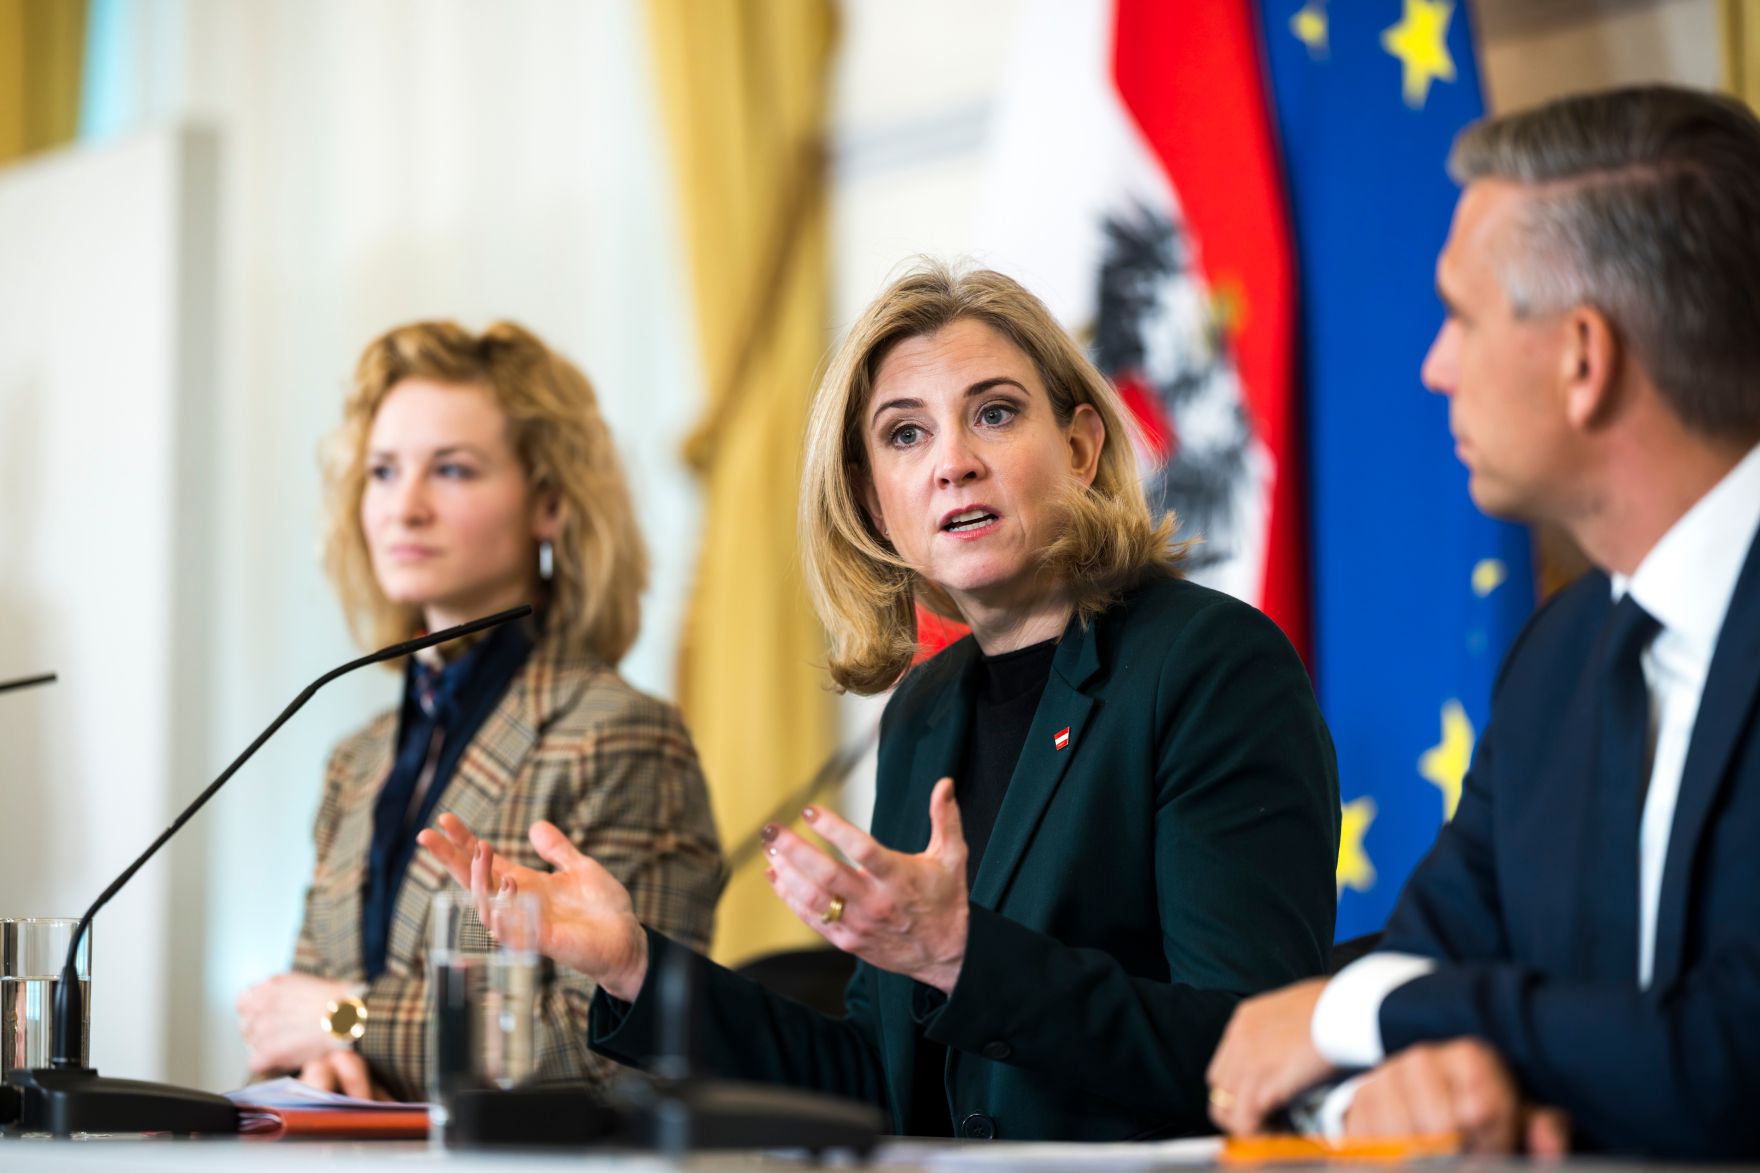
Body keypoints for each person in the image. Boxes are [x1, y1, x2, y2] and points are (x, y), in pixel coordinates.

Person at [420, 263, 1340, 1140]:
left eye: (995, 413)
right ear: (873, 502)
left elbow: (1251, 1046)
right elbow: (876, 1080)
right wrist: (632, 963)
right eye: (907, 433)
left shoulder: (1209, 666)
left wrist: (957, 956)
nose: (954, 462)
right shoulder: (924, 713)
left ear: (1082, 447)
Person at [1206, 85, 1760, 1160]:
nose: (1432, 365)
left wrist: (1346, 1021)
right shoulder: (1558, 660)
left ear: (1579, 359)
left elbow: (1730, 1053)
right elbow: (1421, 958)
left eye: (1459, 316)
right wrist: (1383, 1086)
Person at [235, 320, 723, 1101]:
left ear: (550, 505)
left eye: (453, 470)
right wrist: (315, 1060)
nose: (406, 506)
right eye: (384, 472)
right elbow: (294, 1012)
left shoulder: (622, 734)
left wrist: (349, 1020)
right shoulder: (355, 760)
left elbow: (615, 1042)